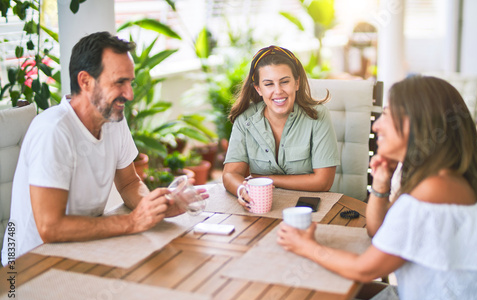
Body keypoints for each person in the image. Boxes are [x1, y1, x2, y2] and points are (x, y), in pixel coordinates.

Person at [277, 76, 477, 300]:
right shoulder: (438, 178)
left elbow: (365, 269)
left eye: (387, 115)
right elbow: (378, 232)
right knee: (320, 292)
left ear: (417, 125)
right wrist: (380, 184)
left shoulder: (433, 190)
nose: (377, 124)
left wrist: (306, 246)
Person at [1, 32, 207, 265]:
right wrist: (133, 222)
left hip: (83, 247)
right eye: (120, 82)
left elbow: (129, 183)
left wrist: (154, 208)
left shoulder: (112, 118)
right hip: (31, 264)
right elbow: (50, 227)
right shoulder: (53, 131)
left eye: (130, 82)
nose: (129, 94)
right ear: (85, 81)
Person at [222, 45, 340, 210]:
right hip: (261, 209)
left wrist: (265, 179)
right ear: (258, 89)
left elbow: (323, 181)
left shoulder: (317, 116)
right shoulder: (245, 120)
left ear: (297, 83)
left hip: (310, 210)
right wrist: (242, 189)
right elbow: (230, 174)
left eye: (284, 82)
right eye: (269, 84)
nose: (278, 91)